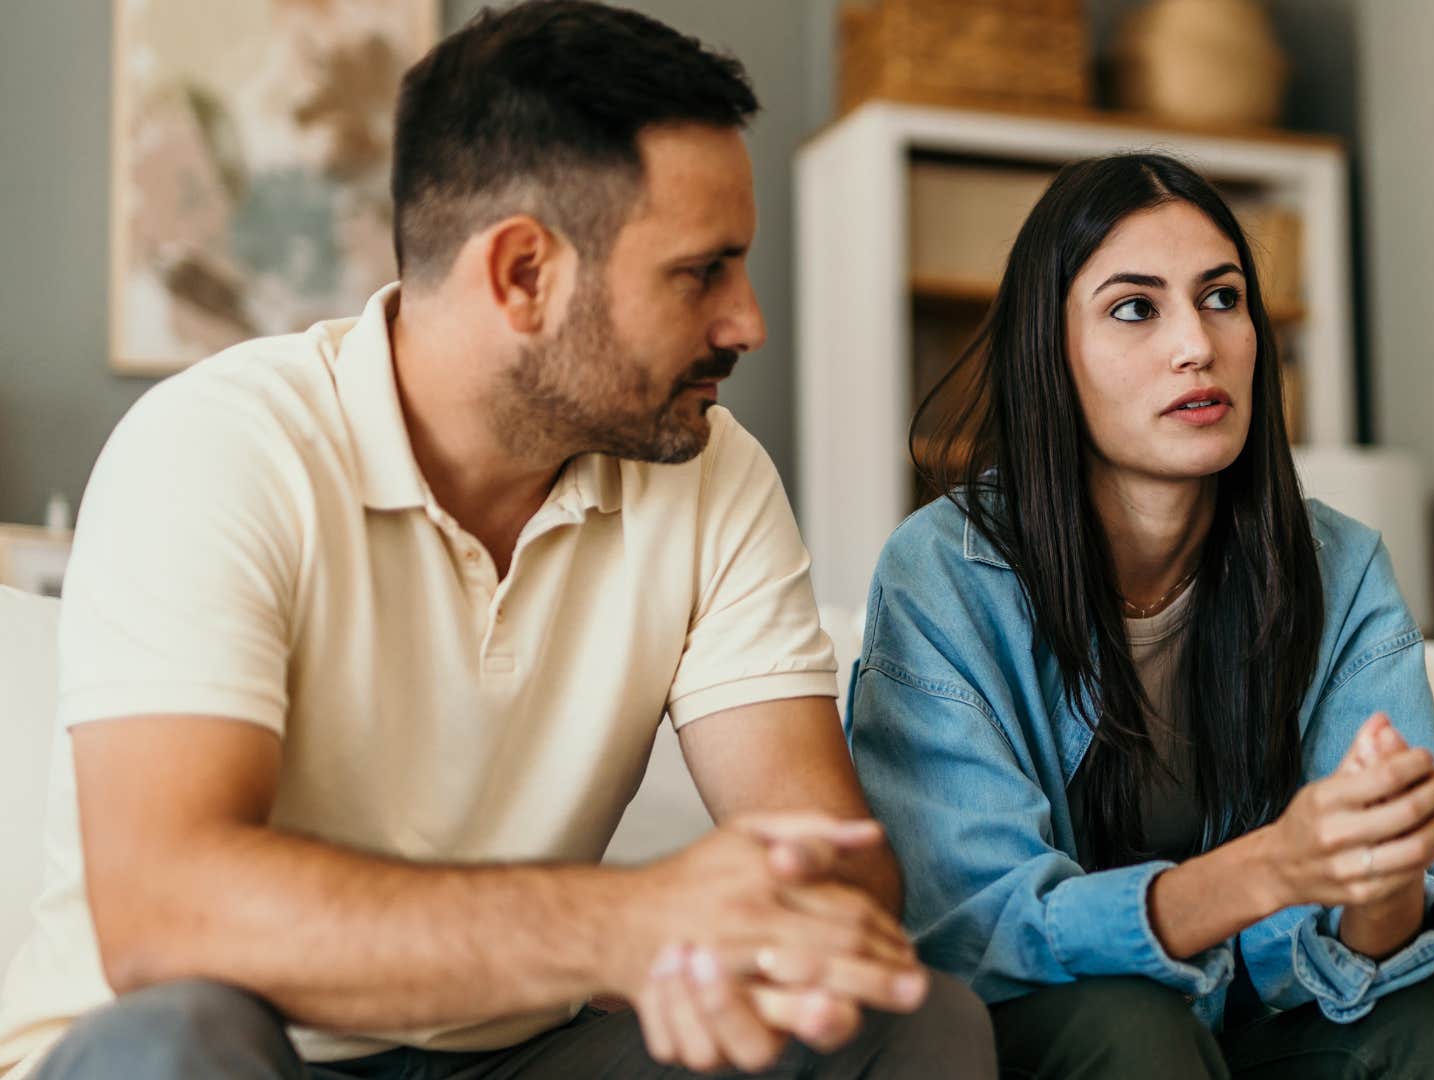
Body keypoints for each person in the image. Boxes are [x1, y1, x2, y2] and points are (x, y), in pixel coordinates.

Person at [0, 3, 993, 1077]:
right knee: (179, 1043)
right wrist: (616, 924)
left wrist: (748, 933)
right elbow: (167, 913)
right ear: (524, 274)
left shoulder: (709, 472)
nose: (747, 320)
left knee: (908, 1019)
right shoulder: (218, 447)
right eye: (702, 271)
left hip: (518, 1059)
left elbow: (833, 879)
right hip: (243, 1047)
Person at [843, 153, 1434, 1079]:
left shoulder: (1341, 567)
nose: (1197, 345)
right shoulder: (941, 573)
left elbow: (1382, 958)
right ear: (1051, 353)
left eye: (1222, 297)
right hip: (1044, 1035)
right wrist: (1270, 870)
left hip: (1253, 1026)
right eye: (1136, 308)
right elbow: (973, 928)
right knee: (1132, 1030)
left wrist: (1382, 867)